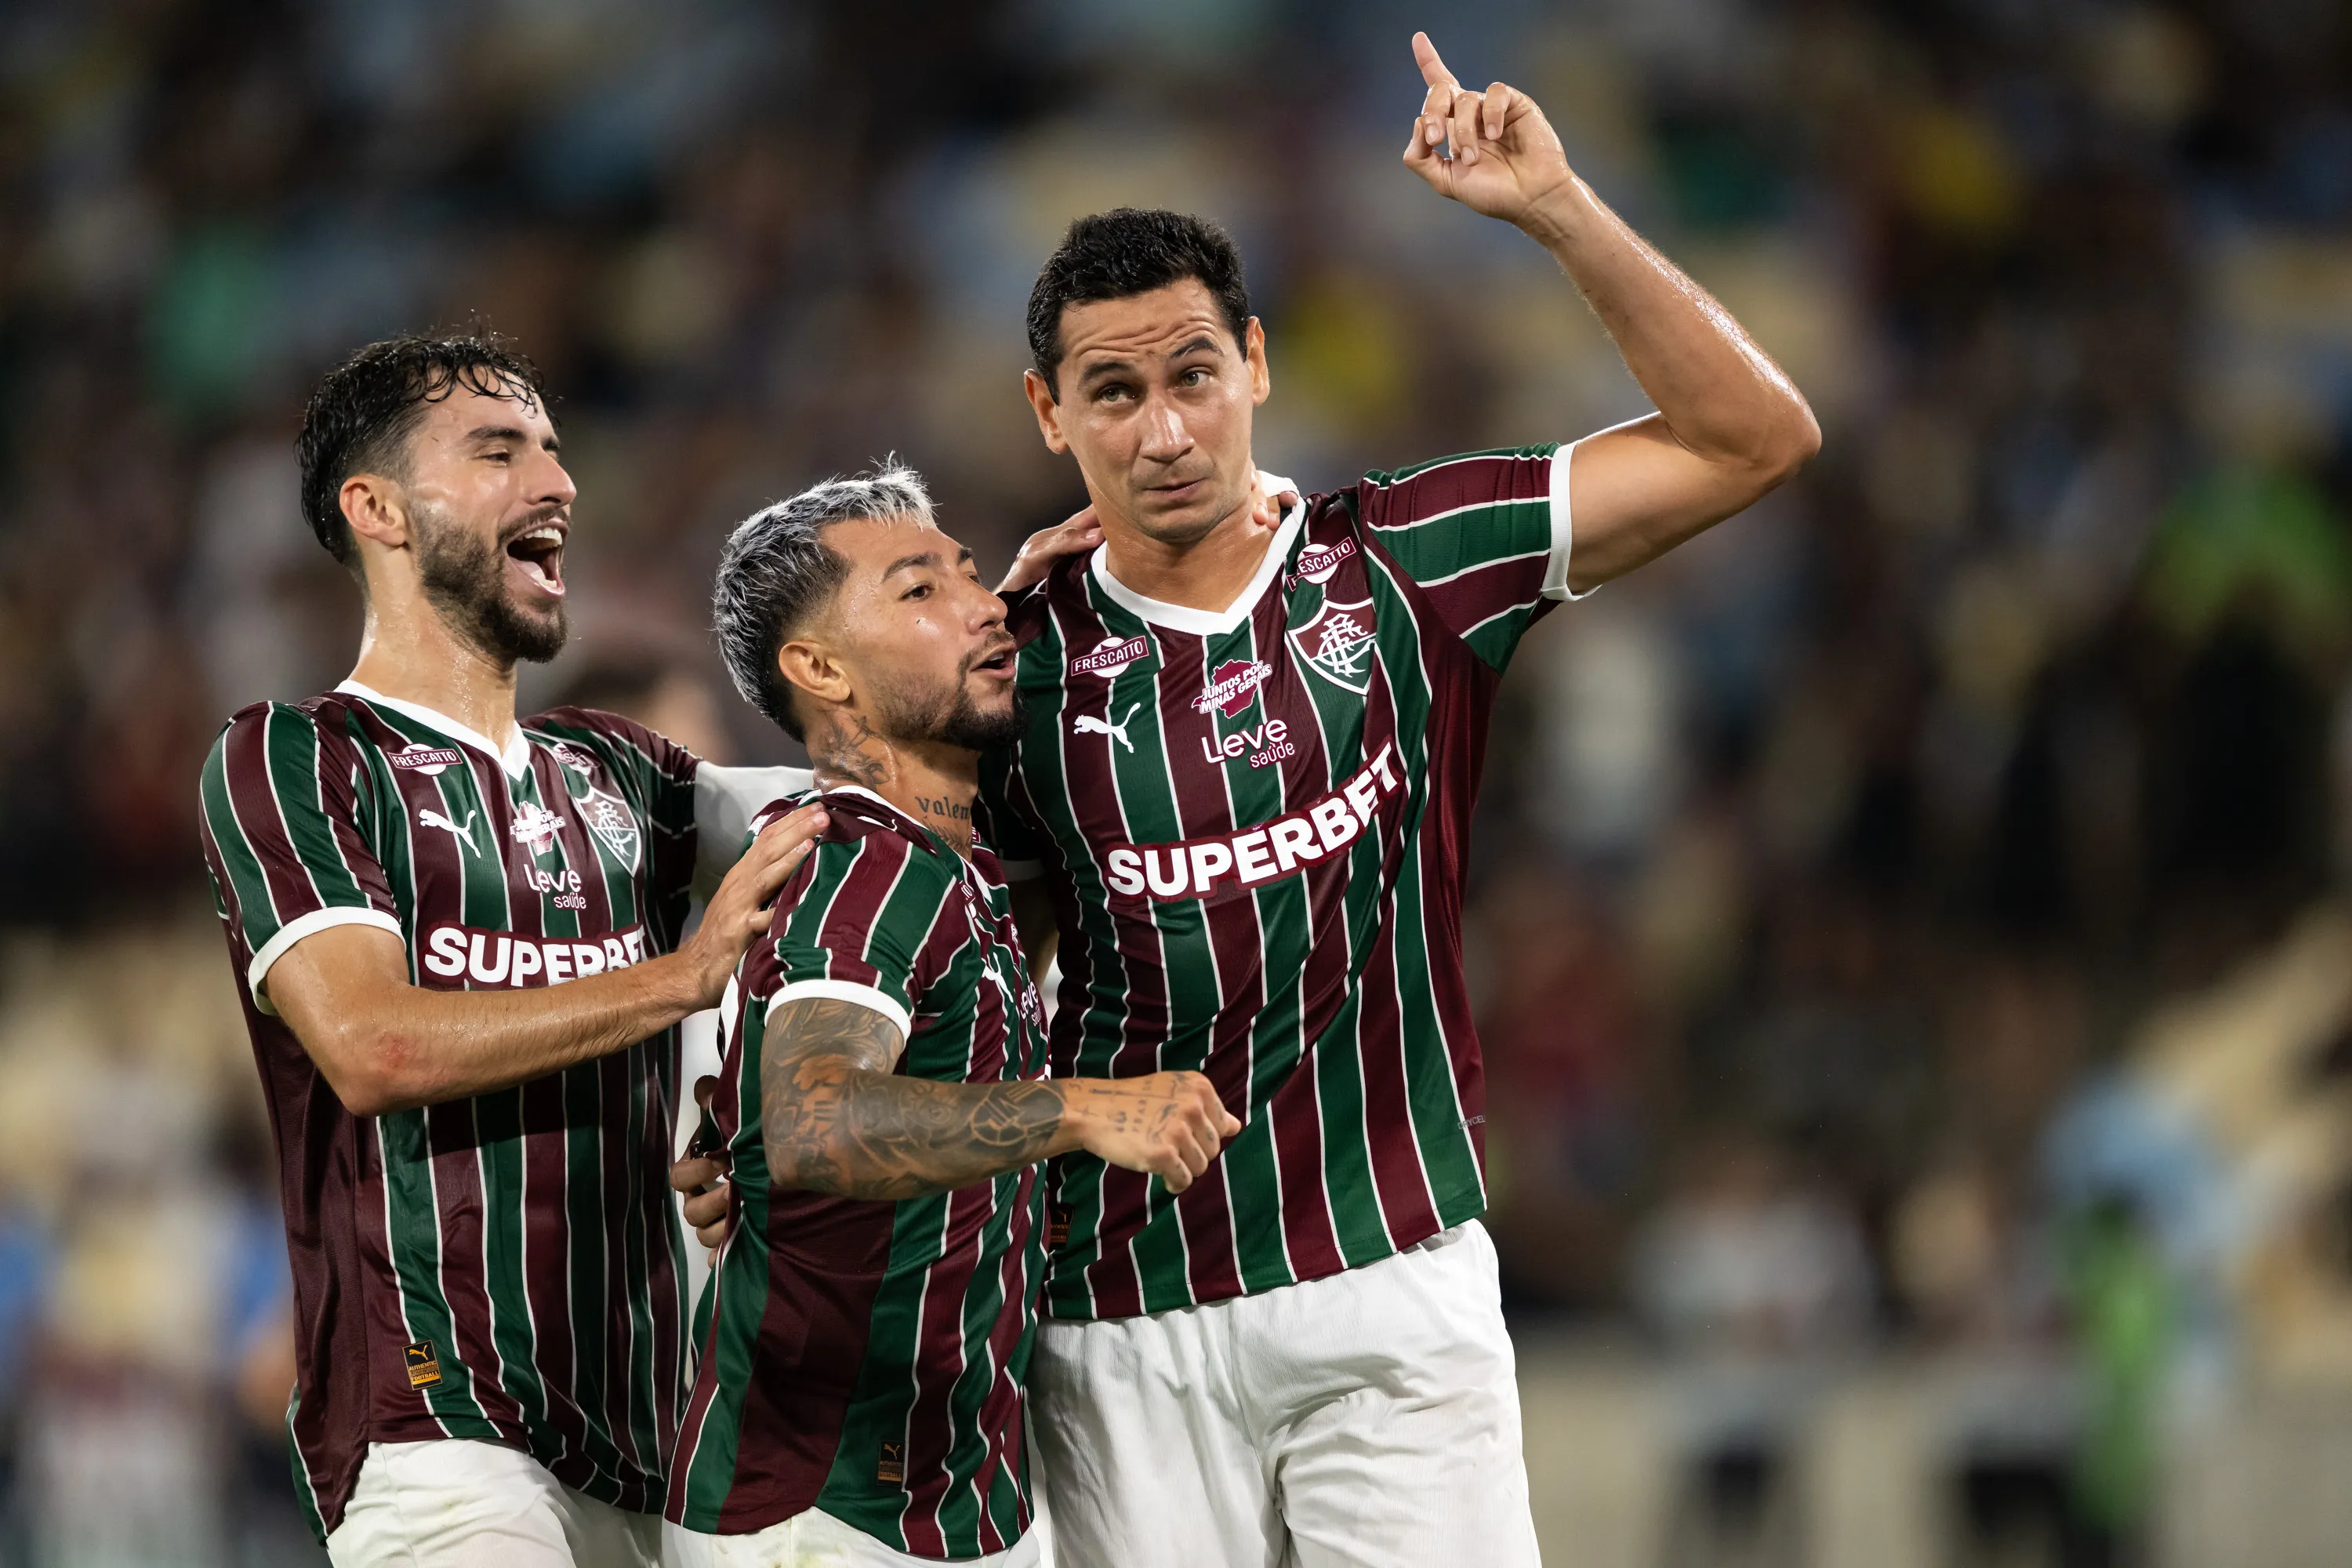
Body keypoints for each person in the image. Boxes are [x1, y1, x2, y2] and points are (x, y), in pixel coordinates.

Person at [973, 32, 1820, 1566]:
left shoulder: (1407, 564)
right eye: (1113, 392)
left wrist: (1557, 209)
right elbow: (935, 947)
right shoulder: (1009, 668)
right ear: (1050, 412)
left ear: (1258, 364)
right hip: (1120, 1314)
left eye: (1192, 375)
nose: (1164, 429)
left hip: (1392, 1278)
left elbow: (1754, 437)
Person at [195, 331, 830, 1566]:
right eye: (498, 452)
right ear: (377, 509)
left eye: (552, 448)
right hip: (438, 1441)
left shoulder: (620, 773)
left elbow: (868, 825)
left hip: (647, 1455)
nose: (558, 482)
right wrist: (683, 977)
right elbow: (373, 1046)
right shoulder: (299, 757)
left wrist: (1026, 652)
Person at [663, 466, 1240, 1566]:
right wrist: (1084, 1109)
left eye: (973, 576)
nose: (982, 607)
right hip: (822, 1512)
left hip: (941, 1498)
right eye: (921, 590)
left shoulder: (944, 867)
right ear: (820, 669)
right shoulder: (859, 863)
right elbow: (817, 1123)